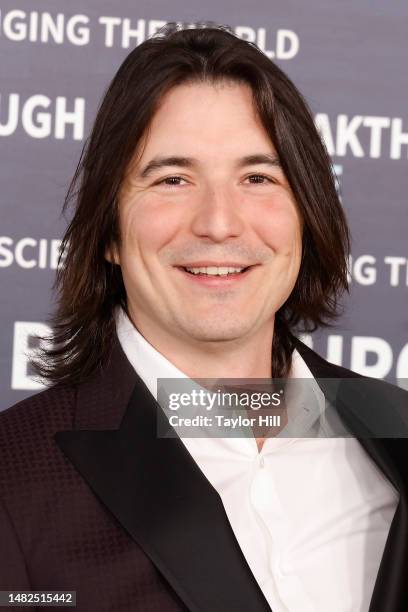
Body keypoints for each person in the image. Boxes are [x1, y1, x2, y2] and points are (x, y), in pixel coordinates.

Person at [0, 23, 407, 612]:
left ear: (306, 215)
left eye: (258, 178)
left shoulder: (393, 431)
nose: (219, 222)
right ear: (109, 231)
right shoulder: (13, 475)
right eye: (172, 179)